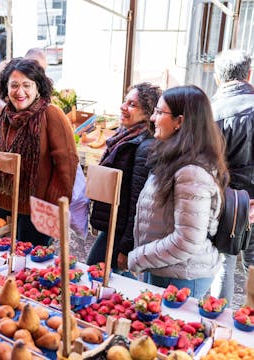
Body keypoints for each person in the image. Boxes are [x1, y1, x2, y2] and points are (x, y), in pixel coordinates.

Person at [127, 85, 228, 299]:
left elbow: (187, 240)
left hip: (182, 277)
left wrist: (138, 257)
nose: (153, 118)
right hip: (166, 269)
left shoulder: (191, 172)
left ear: (180, 121)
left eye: (160, 112)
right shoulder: (172, 159)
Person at [0, 58, 78, 246]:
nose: (20, 92)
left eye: (27, 85)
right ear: (6, 88)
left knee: (33, 265)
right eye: (14, 85)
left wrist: (50, 207)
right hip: (3, 204)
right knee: (8, 263)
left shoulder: (51, 115)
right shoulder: (1, 116)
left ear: (38, 88)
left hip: (38, 210)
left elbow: (67, 166)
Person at [87, 82, 161, 277]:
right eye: (125, 101)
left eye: (132, 104)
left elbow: (138, 201)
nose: (123, 107)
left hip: (121, 230)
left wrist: (126, 246)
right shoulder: (124, 136)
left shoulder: (143, 147)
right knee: (105, 274)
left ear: (147, 114)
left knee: (97, 271)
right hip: (113, 224)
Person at [210, 49, 254, 304]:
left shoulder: (211, 112)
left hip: (226, 200)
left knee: (223, 262)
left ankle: (220, 322)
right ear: (248, 74)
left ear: (218, 78)